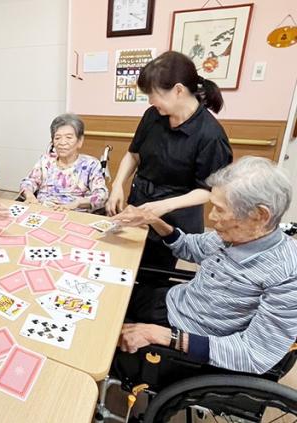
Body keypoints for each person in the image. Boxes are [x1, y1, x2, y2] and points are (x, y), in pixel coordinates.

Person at [111, 157, 297, 384]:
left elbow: (255, 354)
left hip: (189, 344)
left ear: (259, 215)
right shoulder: (232, 235)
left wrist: (161, 335)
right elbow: (190, 247)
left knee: (99, 337)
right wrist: (153, 220)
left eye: (220, 210)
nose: (211, 217)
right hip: (175, 303)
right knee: (105, 299)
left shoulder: (287, 273)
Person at [106, 51, 233, 273]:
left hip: (176, 215)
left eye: (154, 94)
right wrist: (117, 185)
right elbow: (133, 154)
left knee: (155, 276)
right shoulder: (153, 115)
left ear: (178, 90)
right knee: (125, 264)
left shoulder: (210, 135)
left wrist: (165, 206)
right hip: (141, 200)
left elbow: (209, 190)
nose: (151, 101)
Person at [19, 113, 108, 212]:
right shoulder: (45, 161)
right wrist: (30, 196)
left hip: (74, 213)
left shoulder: (91, 164)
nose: (62, 142)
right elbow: (28, 182)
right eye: (57, 138)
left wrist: (77, 203)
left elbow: (101, 195)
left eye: (68, 137)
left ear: (80, 141)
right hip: (43, 211)